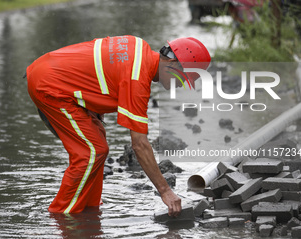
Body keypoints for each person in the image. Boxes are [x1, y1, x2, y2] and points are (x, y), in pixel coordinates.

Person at [26, 35, 211, 216]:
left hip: (50, 71)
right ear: (173, 64)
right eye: (182, 80)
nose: (179, 86)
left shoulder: (139, 48)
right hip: (50, 85)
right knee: (90, 152)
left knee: (98, 145)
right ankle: (61, 217)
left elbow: (102, 72)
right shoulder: (138, 79)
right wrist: (165, 191)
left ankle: (90, 211)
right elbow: (139, 144)